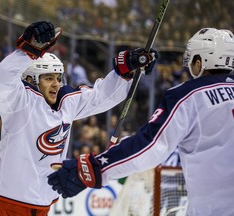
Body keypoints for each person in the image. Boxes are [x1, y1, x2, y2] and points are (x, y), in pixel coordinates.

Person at [48, 27, 234, 216]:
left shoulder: (188, 95)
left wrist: (96, 167)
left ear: (201, 61)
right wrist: (124, 73)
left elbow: (150, 146)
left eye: (193, 59)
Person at [0, 20, 157, 216]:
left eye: (58, 78)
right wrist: (27, 51)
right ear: (30, 79)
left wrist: (126, 71)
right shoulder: (19, 102)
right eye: (48, 78)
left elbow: (101, 97)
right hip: (4, 203)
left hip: (41, 205)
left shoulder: (67, 103)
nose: (56, 84)